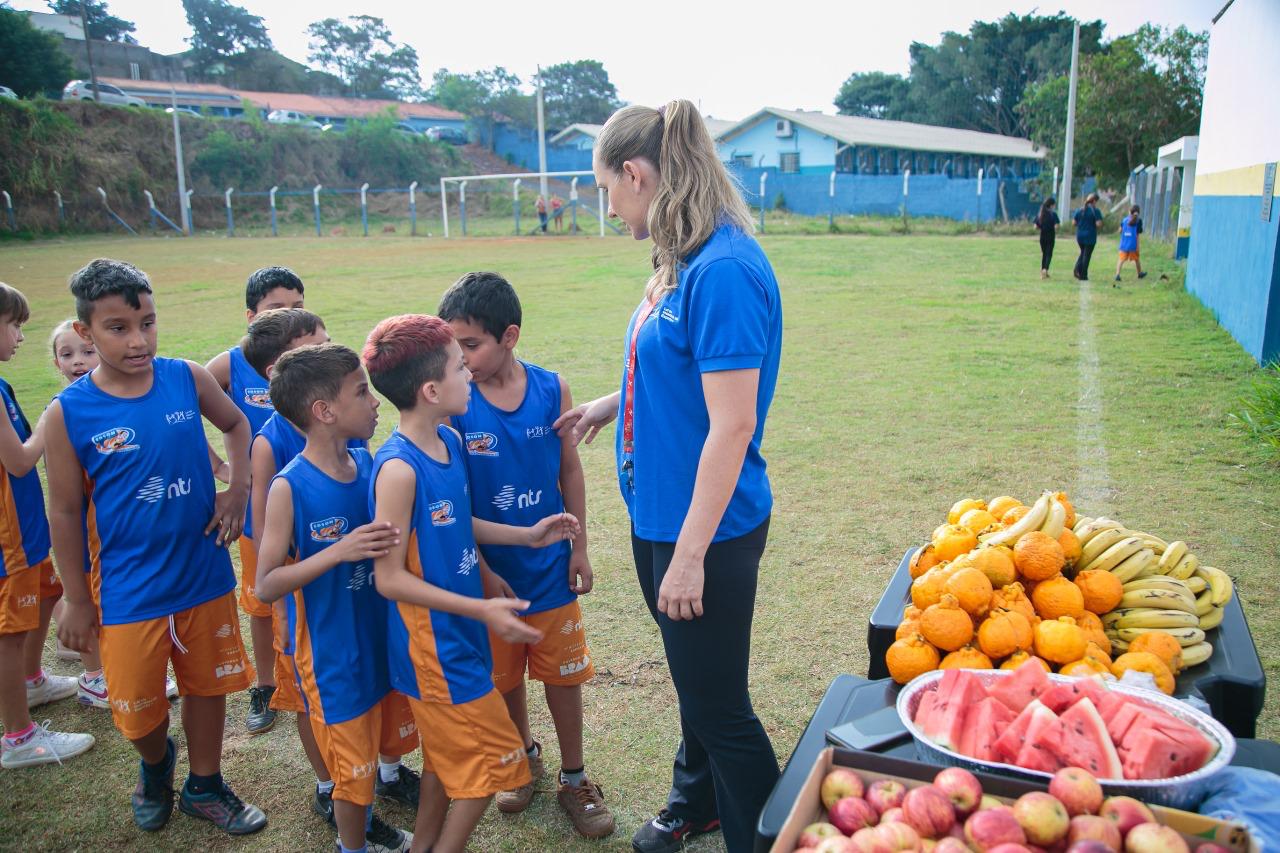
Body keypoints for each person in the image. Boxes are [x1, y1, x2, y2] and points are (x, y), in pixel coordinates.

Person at [555, 99, 783, 853]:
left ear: (635, 173)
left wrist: (689, 554)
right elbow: (684, 372)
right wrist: (611, 401)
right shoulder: (678, 257)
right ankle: (697, 801)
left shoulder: (722, 268)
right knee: (696, 684)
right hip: (661, 512)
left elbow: (734, 421)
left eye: (605, 189)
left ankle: (766, 836)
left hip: (705, 531)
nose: (607, 205)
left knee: (720, 706)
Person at [45, 259, 267, 835]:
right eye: (118, 327)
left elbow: (238, 426)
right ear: (85, 334)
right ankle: (156, 761)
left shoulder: (185, 377)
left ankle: (206, 784)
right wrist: (74, 597)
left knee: (207, 685)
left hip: (202, 573)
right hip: (128, 589)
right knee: (137, 712)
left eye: (147, 321)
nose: (139, 339)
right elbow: (65, 512)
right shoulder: (68, 413)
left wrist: (236, 493)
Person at [363, 313, 580, 853]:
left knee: (441, 763)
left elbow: (459, 520)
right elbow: (388, 579)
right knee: (494, 767)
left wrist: (526, 536)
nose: (470, 375)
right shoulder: (397, 470)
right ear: (432, 389)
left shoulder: (448, 442)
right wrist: (478, 609)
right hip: (434, 647)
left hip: (459, 636)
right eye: (461, 367)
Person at [438, 272, 615, 839]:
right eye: (453, 348)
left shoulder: (550, 388)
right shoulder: (455, 404)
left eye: (470, 345)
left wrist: (579, 543)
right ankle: (522, 758)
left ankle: (574, 777)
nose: (461, 359)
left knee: (563, 675)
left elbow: (569, 468)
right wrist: (485, 573)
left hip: (551, 570)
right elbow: (455, 498)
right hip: (490, 578)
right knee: (503, 676)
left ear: (508, 336)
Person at [245, 312, 421, 829]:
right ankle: (354, 836)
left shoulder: (369, 465)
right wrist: (337, 552)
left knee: (378, 743)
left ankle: (374, 801)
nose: (375, 403)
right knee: (351, 771)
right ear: (324, 411)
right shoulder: (289, 487)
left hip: (378, 637)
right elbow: (266, 582)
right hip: (330, 653)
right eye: (362, 393)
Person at [46, 319, 178, 708]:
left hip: (125, 536)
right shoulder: (66, 413)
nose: (77, 361)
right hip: (93, 536)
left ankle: (108, 666)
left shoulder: (130, 398)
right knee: (86, 595)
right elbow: (64, 506)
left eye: (84, 352)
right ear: (56, 363)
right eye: (66, 355)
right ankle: (95, 676)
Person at [205, 266, 306, 736]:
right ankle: (266, 684)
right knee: (263, 602)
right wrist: (223, 470)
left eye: (297, 307)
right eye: (276, 308)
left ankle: (305, 672)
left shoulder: (313, 361)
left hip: (310, 501)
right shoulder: (231, 362)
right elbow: (187, 408)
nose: (288, 315)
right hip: (259, 509)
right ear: (252, 316)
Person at [0, 285, 96, 770]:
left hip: (27, 527)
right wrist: (47, 422)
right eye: (12, 325)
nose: (19, 335)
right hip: (8, 537)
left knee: (40, 599)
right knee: (8, 632)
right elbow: (18, 462)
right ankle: (18, 737)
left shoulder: (2, 384)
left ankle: (34, 681)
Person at [1072, 193, 1104, 281]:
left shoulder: (1080, 210)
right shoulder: (1095, 211)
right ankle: (1083, 274)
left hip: (1080, 235)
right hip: (1090, 235)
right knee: (1087, 255)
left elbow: (1074, 223)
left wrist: (1082, 224)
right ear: (1094, 201)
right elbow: (1098, 224)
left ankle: (1077, 270)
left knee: (1083, 253)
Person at [1115, 205, 1148, 284]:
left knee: (1121, 260)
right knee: (1136, 259)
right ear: (1138, 213)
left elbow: (1120, 231)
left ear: (1130, 212)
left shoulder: (1124, 220)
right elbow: (1138, 233)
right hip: (1133, 244)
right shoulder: (1138, 221)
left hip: (1124, 244)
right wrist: (1138, 245)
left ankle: (1117, 275)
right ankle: (1139, 273)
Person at [1035, 197, 1060, 279]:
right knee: (1049, 254)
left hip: (1042, 236)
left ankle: (1043, 271)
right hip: (1050, 236)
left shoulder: (1040, 214)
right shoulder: (1053, 214)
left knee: (1044, 254)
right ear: (1051, 205)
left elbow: (1035, 227)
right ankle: (1045, 269)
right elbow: (1057, 226)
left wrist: (1042, 227)